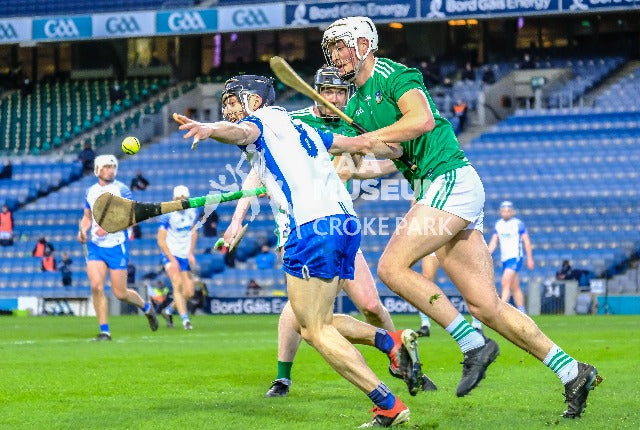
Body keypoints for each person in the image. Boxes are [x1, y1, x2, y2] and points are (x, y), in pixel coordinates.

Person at [321, 16, 601, 417]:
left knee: (391, 267)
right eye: (332, 48)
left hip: (448, 179)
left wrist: (360, 143)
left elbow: (423, 121)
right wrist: (354, 166)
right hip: (436, 187)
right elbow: (394, 155)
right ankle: (573, 371)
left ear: (366, 43)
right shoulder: (359, 103)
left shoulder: (392, 74)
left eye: (343, 44)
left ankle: (472, 344)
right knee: (486, 306)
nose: (337, 54)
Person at [174, 74, 421, 427]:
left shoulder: (256, 123)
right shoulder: (298, 125)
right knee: (314, 320)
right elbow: (354, 144)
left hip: (309, 229)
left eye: (234, 101)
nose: (228, 109)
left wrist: (210, 129)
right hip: (345, 223)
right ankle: (388, 341)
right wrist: (399, 150)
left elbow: (241, 134)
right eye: (225, 103)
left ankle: (388, 403)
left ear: (255, 102)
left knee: (315, 329)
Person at [78, 154, 158, 341]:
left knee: (120, 293)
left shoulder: (122, 190)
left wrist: (109, 227)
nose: (110, 170)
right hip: (96, 247)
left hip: (117, 246)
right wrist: (82, 230)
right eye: (106, 167)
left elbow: (131, 219)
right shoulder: (90, 191)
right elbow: (87, 217)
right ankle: (105, 331)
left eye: (113, 167)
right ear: (98, 169)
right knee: (97, 287)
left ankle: (146, 307)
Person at [156, 185, 198, 330]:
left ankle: (168, 311)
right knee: (177, 284)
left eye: (184, 199)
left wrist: (191, 253)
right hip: (170, 254)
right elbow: (161, 240)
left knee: (189, 292)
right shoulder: (167, 214)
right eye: (178, 199)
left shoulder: (193, 211)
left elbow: (193, 232)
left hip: (184, 255)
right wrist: (172, 260)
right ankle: (185, 320)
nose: (181, 202)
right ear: (174, 199)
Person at [487, 201, 534, 314]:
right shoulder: (499, 224)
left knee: (505, 282)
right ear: (500, 212)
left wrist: (530, 258)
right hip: (505, 259)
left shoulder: (518, 224)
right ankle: (522, 312)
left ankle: (500, 312)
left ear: (512, 212)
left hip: (515, 257)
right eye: (504, 211)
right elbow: (494, 241)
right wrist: (487, 254)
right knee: (515, 286)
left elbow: (526, 241)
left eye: (508, 211)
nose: (506, 213)